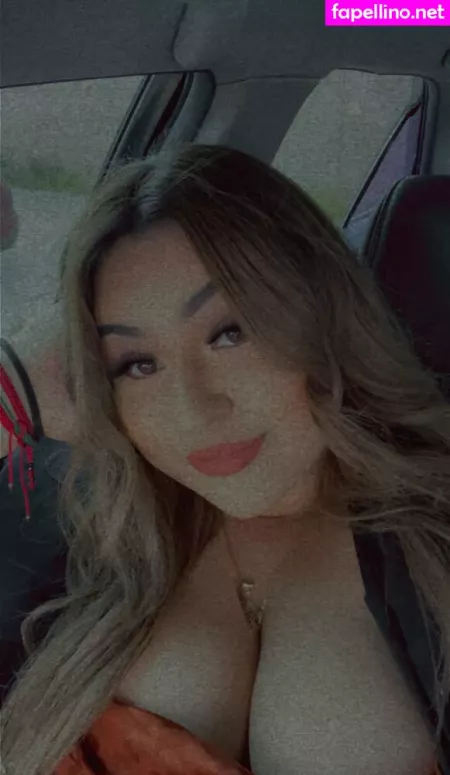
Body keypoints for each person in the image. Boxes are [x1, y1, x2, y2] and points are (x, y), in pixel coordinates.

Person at [1, 144, 449, 775]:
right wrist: (15, 383)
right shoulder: (107, 530)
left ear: (325, 313)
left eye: (231, 333)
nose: (194, 410)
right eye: (137, 363)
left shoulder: (435, 537)